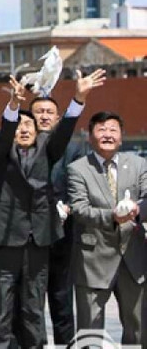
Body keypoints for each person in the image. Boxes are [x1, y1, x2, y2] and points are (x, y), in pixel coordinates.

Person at [0, 70, 104, 347]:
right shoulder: (2, 153)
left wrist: (78, 98)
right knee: (0, 311)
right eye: (19, 126)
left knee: (33, 310)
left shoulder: (47, 149)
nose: (25, 129)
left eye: (30, 125)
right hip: (4, 241)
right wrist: (14, 104)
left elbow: (64, 130)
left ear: (39, 131)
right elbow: (5, 132)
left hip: (38, 240)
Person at [68, 111, 147, 345]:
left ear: (121, 137)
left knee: (139, 330)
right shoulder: (78, 169)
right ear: (90, 136)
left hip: (133, 259)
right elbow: (80, 209)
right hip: (93, 260)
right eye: (101, 130)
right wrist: (112, 216)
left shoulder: (138, 164)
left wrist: (137, 209)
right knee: (89, 333)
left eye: (113, 129)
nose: (107, 135)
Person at [29, 96, 88, 344]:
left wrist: (68, 208)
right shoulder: (21, 146)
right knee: (31, 304)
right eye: (38, 112)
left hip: (62, 236)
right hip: (29, 238)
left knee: (61, 301)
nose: (43, 116)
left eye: (49, 112)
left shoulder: (73, 149)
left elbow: (80, 188)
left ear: (57, 118)